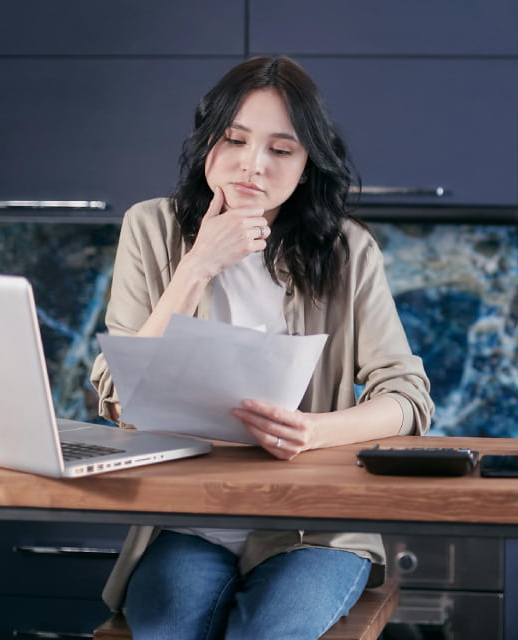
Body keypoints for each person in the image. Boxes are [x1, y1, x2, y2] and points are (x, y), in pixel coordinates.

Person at [89, 55, 434, 640]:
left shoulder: (347, 251)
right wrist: (197, 266)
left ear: (306, 166)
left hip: (316, 524)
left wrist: (314, 431)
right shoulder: (150, 228)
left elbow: (408, 397)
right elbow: (119, 393)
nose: (253, 166)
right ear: (207, 144)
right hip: (188, 519)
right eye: (234, 139)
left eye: (281, 149)